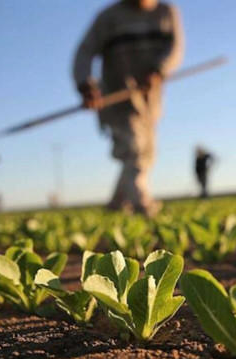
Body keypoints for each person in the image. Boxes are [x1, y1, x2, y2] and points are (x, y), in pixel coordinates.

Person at [73, 0, 184, 216]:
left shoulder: (167, 13)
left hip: (149, 101)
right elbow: (84, 52)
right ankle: (142, 204)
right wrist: (86, 84)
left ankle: (116, 205)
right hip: (117, 97)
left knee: (147, 154)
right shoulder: (108, 17)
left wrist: (158, 70)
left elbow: (175, 48)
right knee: (134, 150)